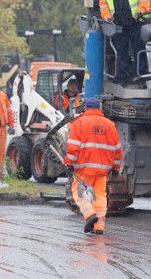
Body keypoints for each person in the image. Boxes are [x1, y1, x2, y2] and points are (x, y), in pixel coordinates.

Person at [64, 97, 122, 234]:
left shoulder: (80, 123)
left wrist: (69, 163)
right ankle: (99, 227)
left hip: (84, 169)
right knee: (100, 196)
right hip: (103, 169)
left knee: (81, 195)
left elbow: (73, 147)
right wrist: (115, 168)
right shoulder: (110, 125)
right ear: (100, 109)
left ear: (85, 108)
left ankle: (89, 215)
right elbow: (117, 149)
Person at [99, 0, 150, 84]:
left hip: (135, 22)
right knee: (121, 51)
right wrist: (106, 15)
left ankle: (142, 76)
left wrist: (142, 8)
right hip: (118, 24)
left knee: (139, 49)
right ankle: (122, 78)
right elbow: (103, 4)